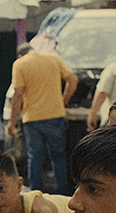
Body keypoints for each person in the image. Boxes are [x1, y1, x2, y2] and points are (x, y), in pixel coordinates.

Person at [6, 42, 77, 195]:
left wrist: (12, 122)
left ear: (21, 54)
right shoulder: (53, 58)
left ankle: (36, 192)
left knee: (35, 157)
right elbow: (73, 79)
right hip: (55, 115)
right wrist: (64, 100)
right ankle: (62, 193)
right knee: (58, 156)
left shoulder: (20, 64)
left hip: (32, 118)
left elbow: (17, 94)